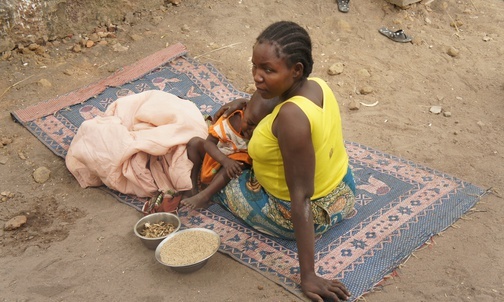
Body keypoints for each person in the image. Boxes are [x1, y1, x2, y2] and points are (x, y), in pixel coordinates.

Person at [211, 21, 356, 302]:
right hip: (344, 193)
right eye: (254, 66)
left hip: (300, 214)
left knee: (217, 166)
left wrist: (309, 275)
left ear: (296, 70)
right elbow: (274, 103)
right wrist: (247, 102)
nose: (257, 77)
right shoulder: (319, 87)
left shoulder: (290, 118)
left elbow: (300, 197)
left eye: (268, 70)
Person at [181, 91, 277, 210]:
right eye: (250, 123)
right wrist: (224, 160)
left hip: (233, 164)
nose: (252, 130)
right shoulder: (230, 119)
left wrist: (228, 163)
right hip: (216, 153)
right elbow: (208, 143)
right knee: (194, 143)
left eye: (258, 127)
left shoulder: (266, 133)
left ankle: (205, 196)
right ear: (244, 109)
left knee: (238, 163)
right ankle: (192, 187)